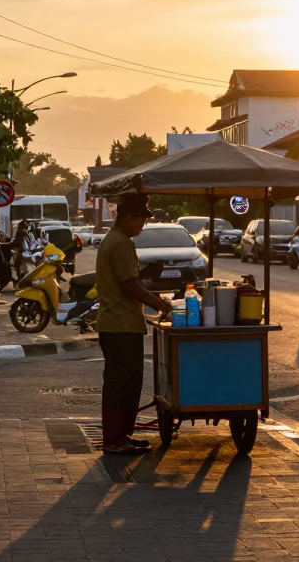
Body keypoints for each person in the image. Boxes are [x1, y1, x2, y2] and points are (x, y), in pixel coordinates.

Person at [95, 193, 173, 455]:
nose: (142, 226)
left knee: (127, 382)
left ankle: (121, 435)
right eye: (140, 221)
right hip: (120, 324)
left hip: (119, 322)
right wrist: (159, 303)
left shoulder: (116, 240)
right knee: (121, 383)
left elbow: (130, 278)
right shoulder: (121, 242)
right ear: (128, 218)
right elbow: (129, 285)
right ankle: (115, 439)